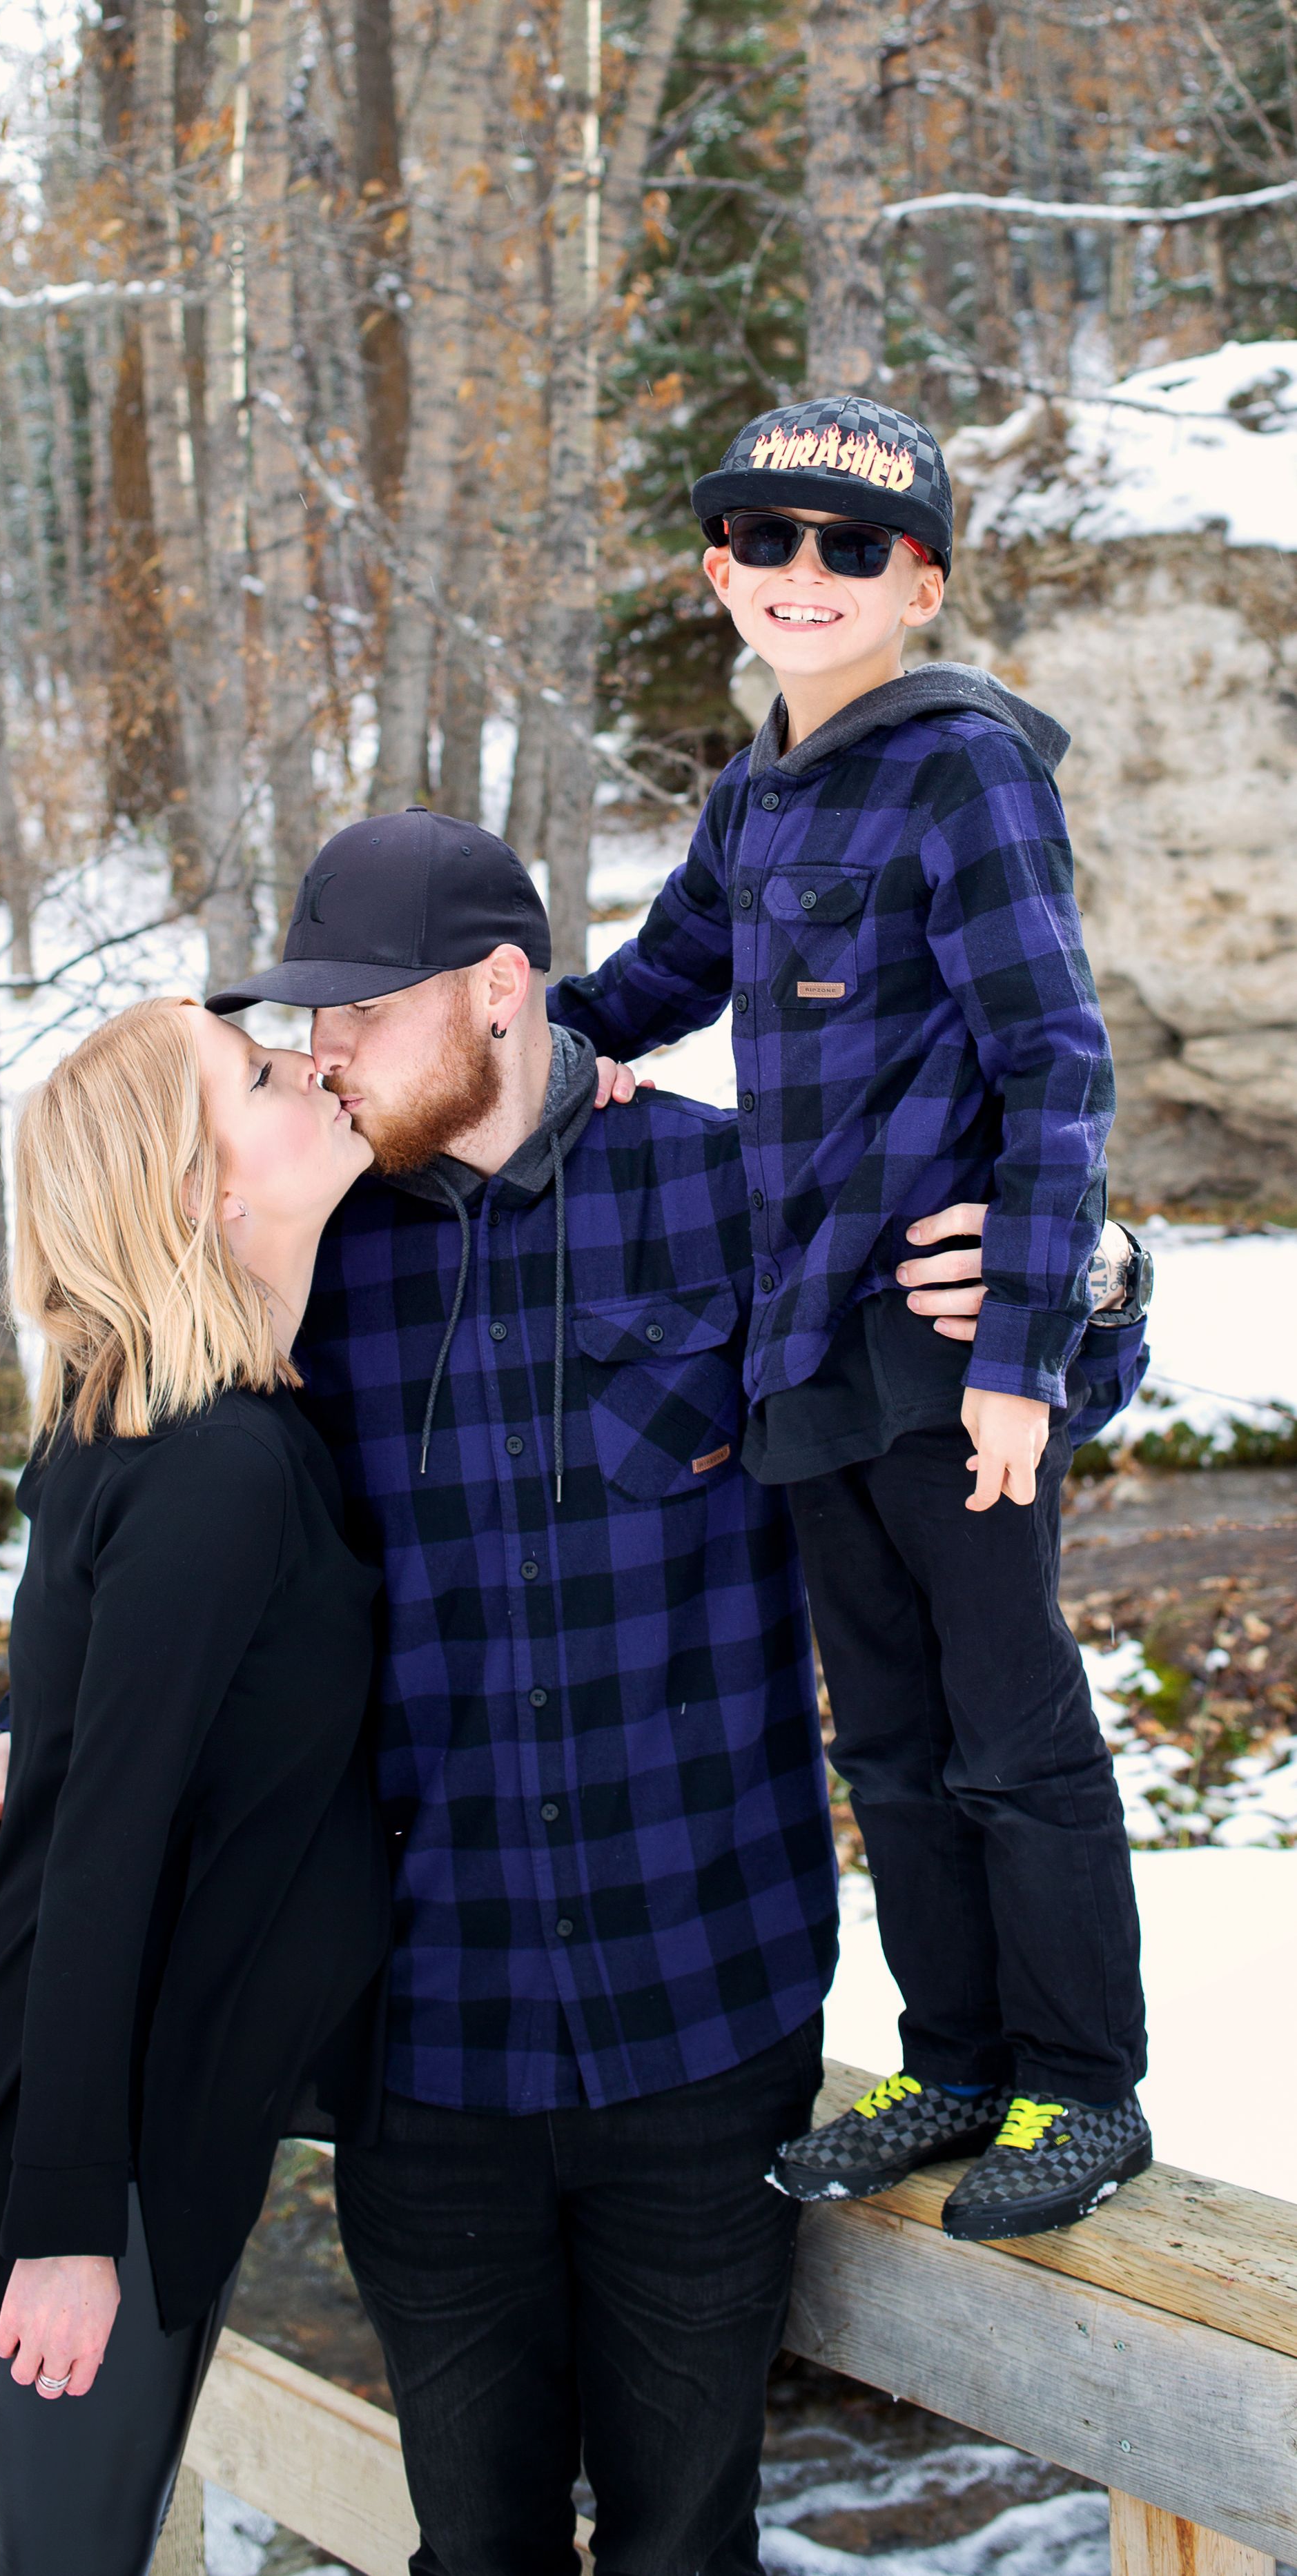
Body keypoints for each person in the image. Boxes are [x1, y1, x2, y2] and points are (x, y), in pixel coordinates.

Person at [0, 810, 1149, 2576]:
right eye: (307, 1025)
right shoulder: (308, 1242)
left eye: (363, 1012)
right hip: (423, 2043)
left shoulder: (733, 1189)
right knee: (473, 2555)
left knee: (685, 2553)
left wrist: (1096, 1282)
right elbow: (128, 1463)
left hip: (707, 2010)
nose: (327, 1053)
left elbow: (993, 1378)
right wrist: (24, 1714)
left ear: (501, 990)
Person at [547, 394, 1155, 2245]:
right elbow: (651, 983)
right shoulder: (753, 793)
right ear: (717, 572)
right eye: (768, 540)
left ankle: (1080, 2084)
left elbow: (1052, 1061)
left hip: (942, 1350)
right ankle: (951, 2059)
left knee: (1009, 1727)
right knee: (883, 1735)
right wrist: (510, 1048)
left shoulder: (962, 770)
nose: (804, 573)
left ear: (920, 584)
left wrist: (1021, 1358)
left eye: (853, 546)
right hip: (798, 1342)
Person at [0, 996, 391, 2576]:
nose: (308, 1066)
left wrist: (20, 1729)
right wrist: (62, 2228)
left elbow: (101, 1678)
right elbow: (101, 1856)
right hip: (82, 2140)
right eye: (257, 1077)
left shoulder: (185, 1428)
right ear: (199, 1189)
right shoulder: (215, 1467)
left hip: (144, 2098)